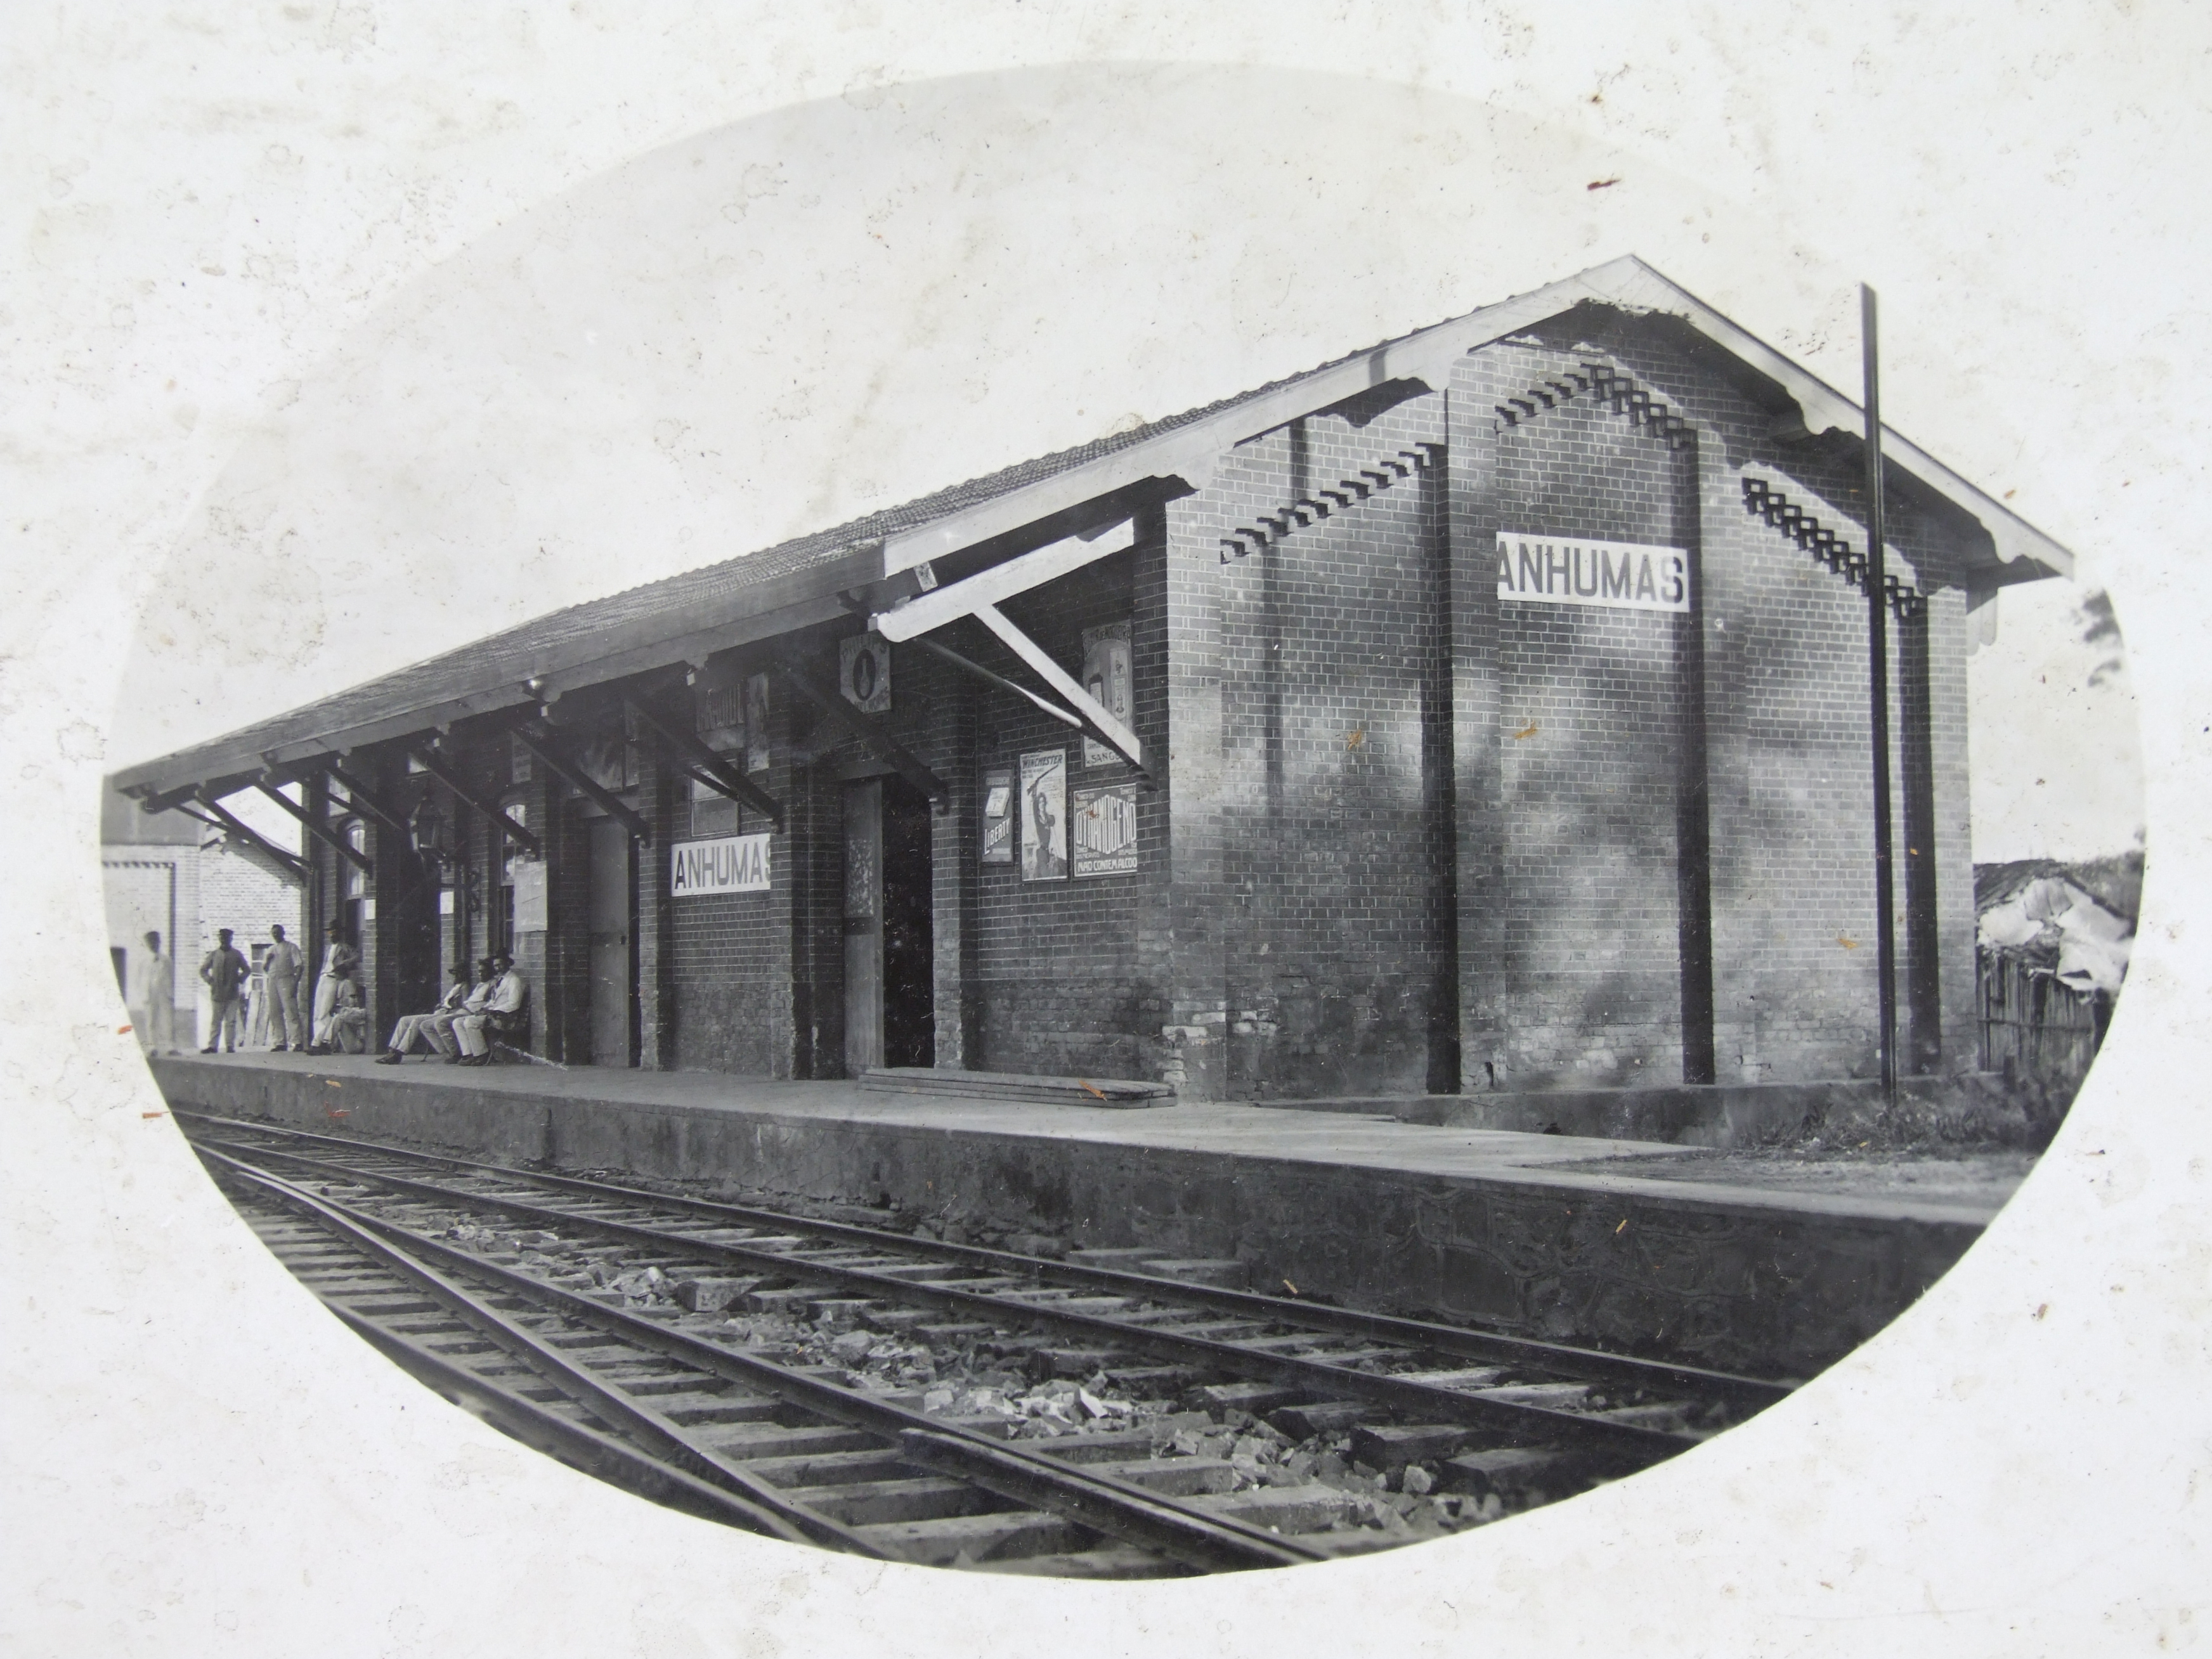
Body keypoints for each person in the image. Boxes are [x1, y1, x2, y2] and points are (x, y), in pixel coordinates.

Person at [376, 962, 474, 1064]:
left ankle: (399, 1053)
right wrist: (441, 1005)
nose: (455, 976)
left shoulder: (465, 987)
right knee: (404, 1020)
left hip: (447, 1014)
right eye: (454, 974)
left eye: (458, 974)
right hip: (440, 1012)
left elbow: (465, 1006)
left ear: (464, 975)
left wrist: (452, 1007)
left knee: (417, 1021)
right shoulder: (455, 987)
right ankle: (392, 1050)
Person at [451, 951, 528, 1066]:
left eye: (500, 965)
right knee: (457, 1022)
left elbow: (514, 1003)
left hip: (505, 1016)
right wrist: (484, 1008)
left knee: (470, 1022)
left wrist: (492, 1010)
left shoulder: (514, 980)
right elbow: (493, 1001)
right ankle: (469, 1054)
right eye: (496, 966)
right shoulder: (500, 980)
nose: (498, 968)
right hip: (493, 1013)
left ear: (508, 964)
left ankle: (481, 1055)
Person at [308, 923, 359, 1053]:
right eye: (330, 932)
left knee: (325, 1010)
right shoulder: (328, 948)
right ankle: (318, 1041)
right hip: (323, 977)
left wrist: (344, 964)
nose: (331, 935)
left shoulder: (344, 947)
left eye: (334, 932)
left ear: (340, 934)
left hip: (333, 979)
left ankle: (319, 1043)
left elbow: (357, 956)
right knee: (318, 1010)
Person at [311, 961, 368, 1054]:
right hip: (348, 1043)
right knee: (336, 1018)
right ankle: (325, 1043)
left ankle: (326, 1043)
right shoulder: (341, 983)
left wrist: (342, 1008)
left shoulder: (348, 984)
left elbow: (353, 1005)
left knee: (339, 1017)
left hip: (357, 1043)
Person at [264, 923, 305, 1051]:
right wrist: (267, 960)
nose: (275, 935)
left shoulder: (291, 947)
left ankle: (297, 1041)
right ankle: (280, 1042)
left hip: (287, 980)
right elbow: (265, 969)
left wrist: (295, 983)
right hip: (273, 981)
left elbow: (299, 966)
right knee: (275, 1012)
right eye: (273, 933)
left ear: (283, 933)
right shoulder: (270, 950)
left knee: (290, 1010)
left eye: (278, 933)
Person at [140, 930, 178, 1055]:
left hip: (164, 993)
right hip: (150, 993)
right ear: (147, 944)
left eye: (156, 942)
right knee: (151, 1021)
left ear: (159, 943)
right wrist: (143, 994)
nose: (154, 945)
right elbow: (139, 978)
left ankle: (170, 1047)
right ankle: (152, 1047)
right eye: (151, 943)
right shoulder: (144, 961)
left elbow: (172, 977)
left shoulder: (166, 960)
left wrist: (171, 993)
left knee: (167, 1020)